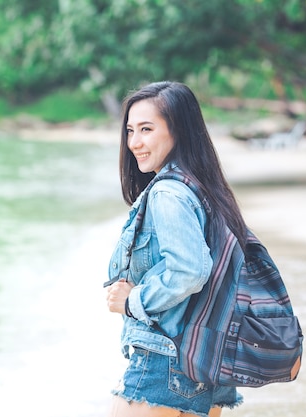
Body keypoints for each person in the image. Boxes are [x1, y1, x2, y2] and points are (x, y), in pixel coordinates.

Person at [104, 81, 246, 417]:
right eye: (130, 130)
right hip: (205, 357)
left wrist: (132, 301)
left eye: (147, 129)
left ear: (178, 131)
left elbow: (190, 270)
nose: (134, 142)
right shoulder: (205, 189)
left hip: (163, 361)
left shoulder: (169, 193)